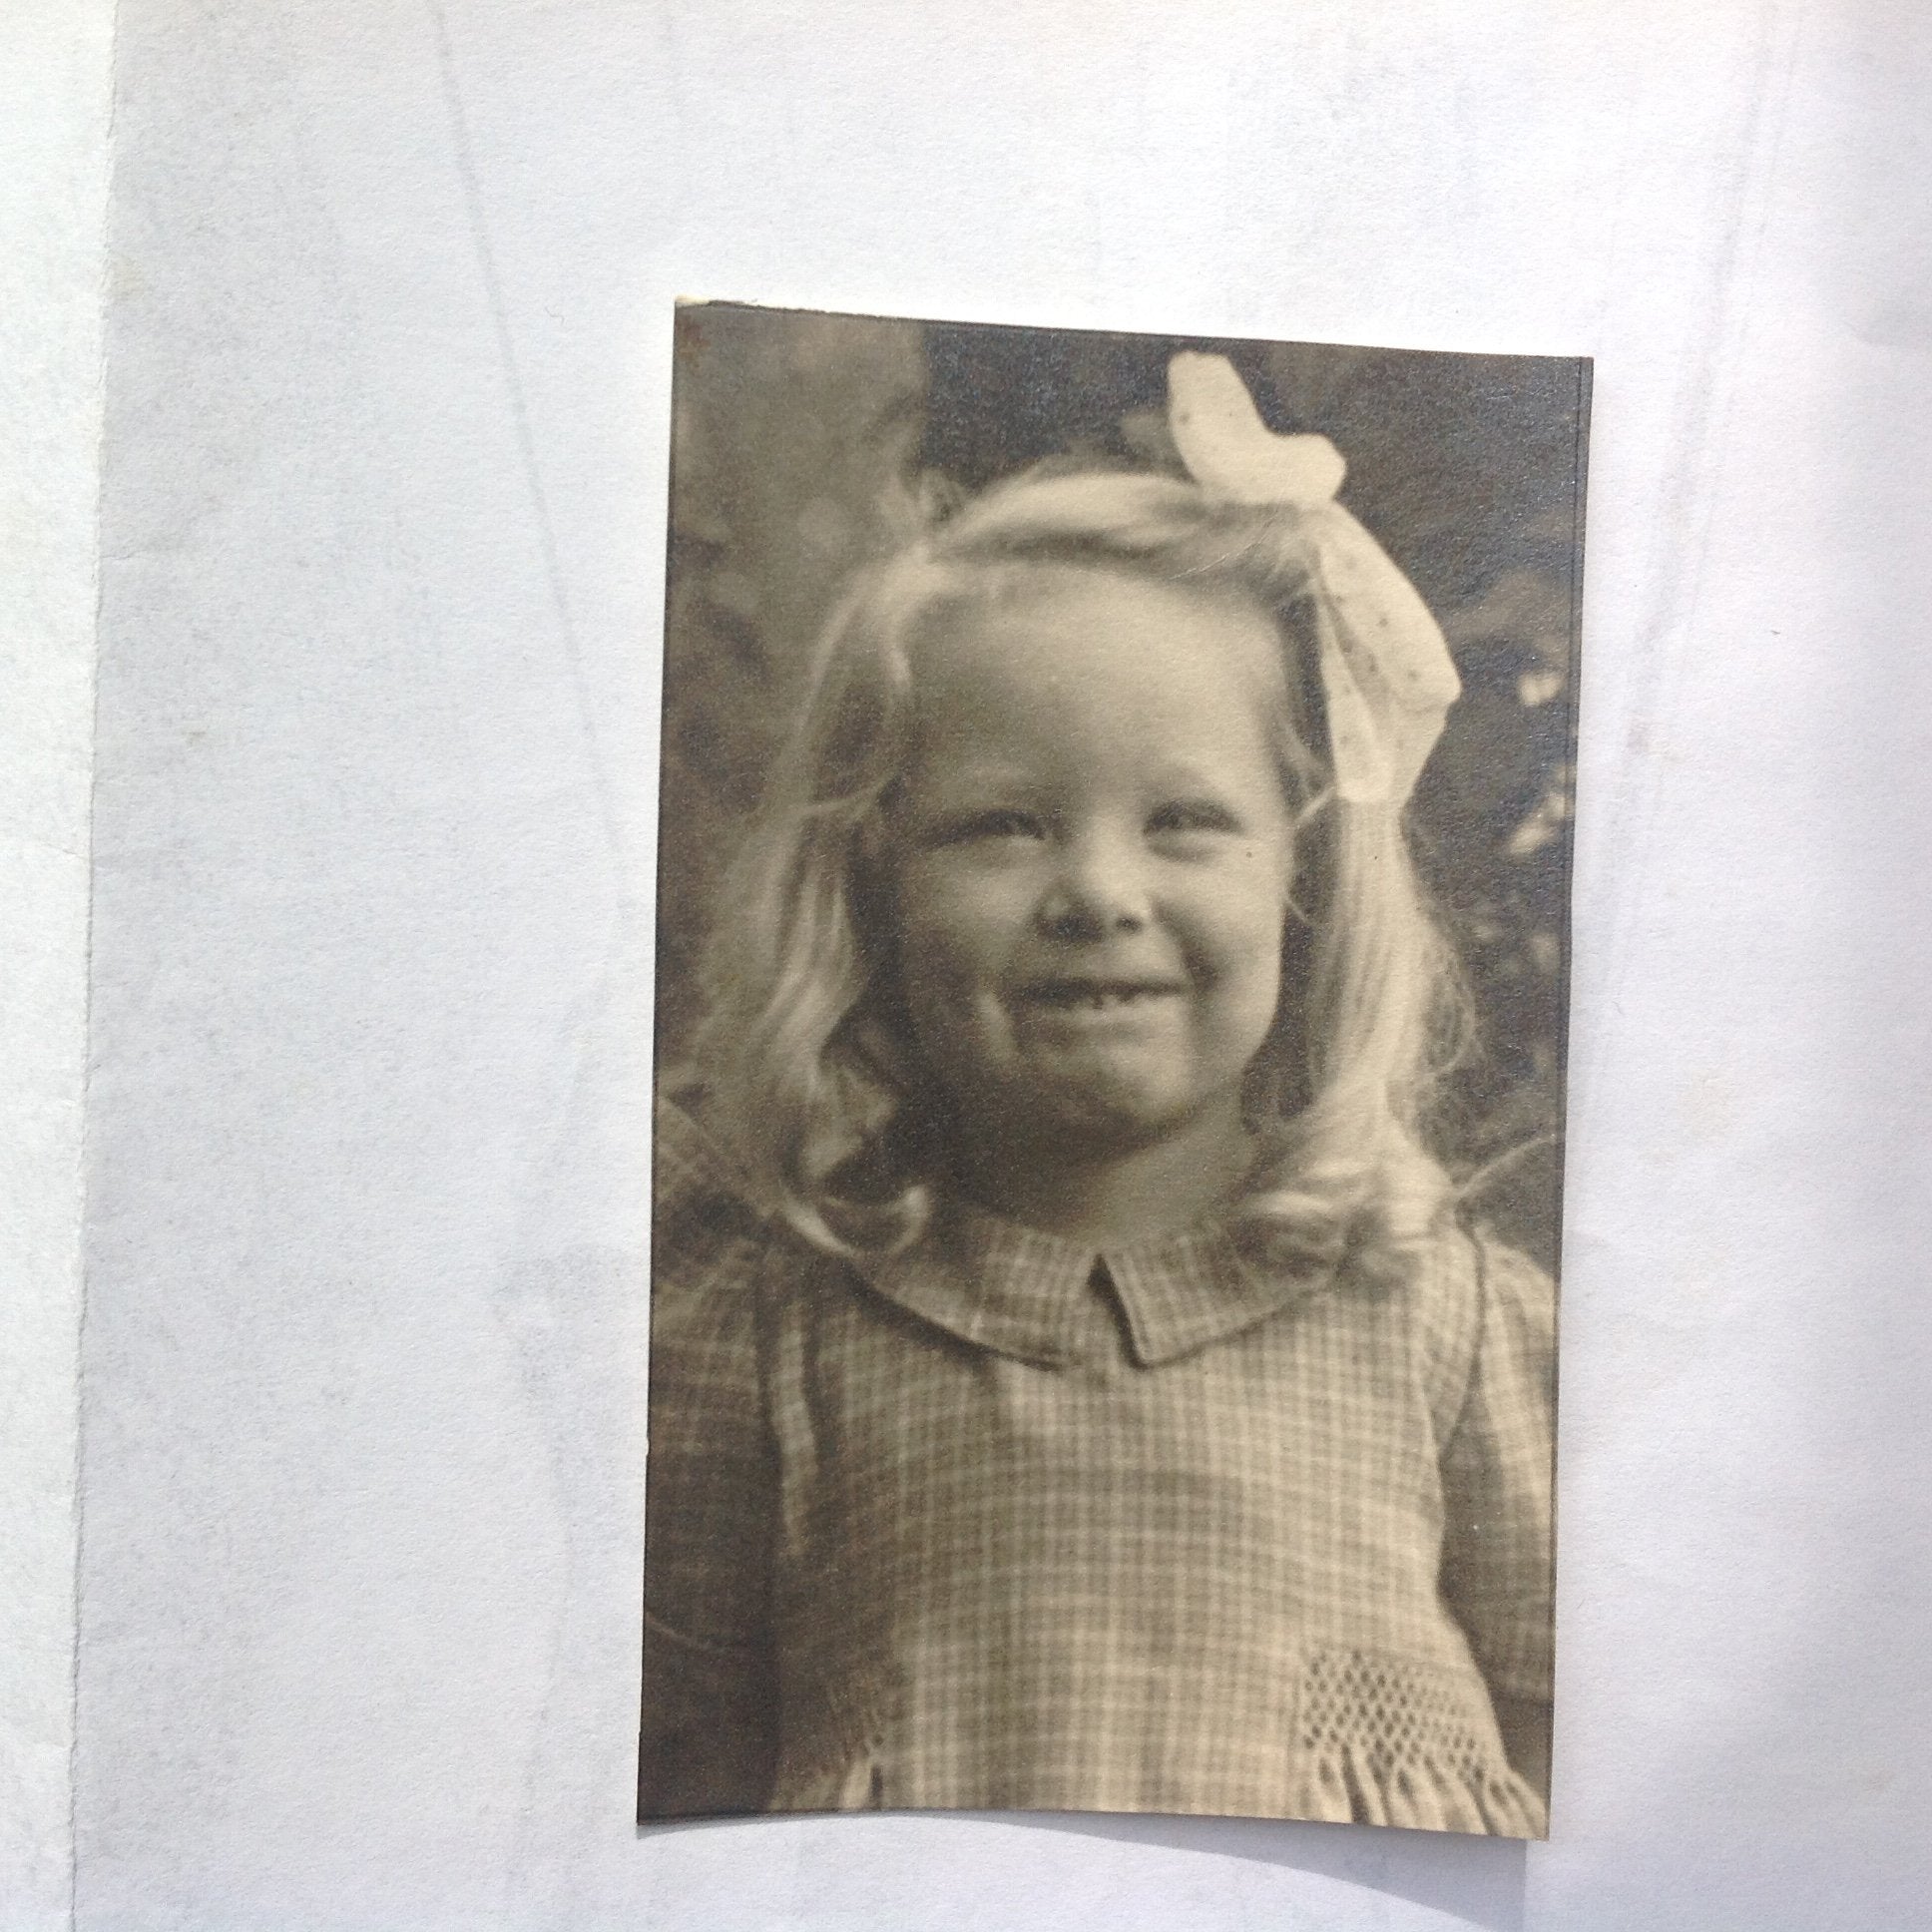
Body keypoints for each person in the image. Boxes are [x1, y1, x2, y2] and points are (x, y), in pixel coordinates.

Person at [639, 352, 1556, 1836]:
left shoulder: (1444, 1322)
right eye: (1003, 825)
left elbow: (1582, 1739)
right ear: (872, 889)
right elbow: (675, 1780)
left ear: (1305, 881)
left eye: (1187, 821)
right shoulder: (769, 1333)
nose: (1099, 894)